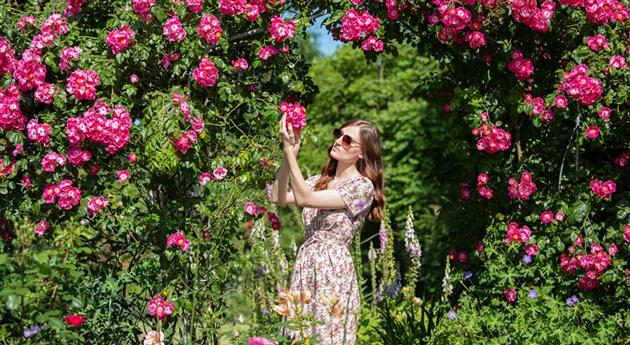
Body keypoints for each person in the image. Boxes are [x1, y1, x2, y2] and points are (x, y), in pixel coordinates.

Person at [271, 113, 385, 345]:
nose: (338, 141)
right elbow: (278, 196)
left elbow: (305, 197)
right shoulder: (320, 180)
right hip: (307, 263)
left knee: (327, 335)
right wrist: (288, 155)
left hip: (332, 268)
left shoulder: (362, 187)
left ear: (362, 152)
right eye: (338, 134)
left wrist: (290, 154)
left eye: (347, 140)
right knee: (299, 334)